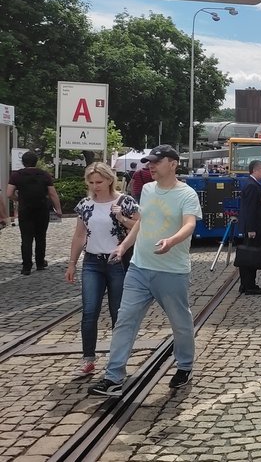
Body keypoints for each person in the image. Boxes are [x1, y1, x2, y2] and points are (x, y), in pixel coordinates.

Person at [88, 144, 202, 396]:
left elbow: (190, 225)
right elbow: (143, 222)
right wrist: (124, 245)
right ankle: (114, 376)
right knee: (125, 320)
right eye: (149, 162)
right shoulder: (148, 190)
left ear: (173, 164)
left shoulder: (187, 194)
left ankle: (184, 365)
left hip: (171, 271)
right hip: (139, 268)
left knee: (180, 323)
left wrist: (171, 240)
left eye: (156, 162)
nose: (150, 166)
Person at [66, 162, 140, 376]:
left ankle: (118, 360)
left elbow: (139, 227)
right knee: (89, 312)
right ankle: (88, 359)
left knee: (118, 312)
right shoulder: (85, 205)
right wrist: (72, 263)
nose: (95, 186)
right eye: (91, 182)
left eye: (99, 182)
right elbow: (79, 235)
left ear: (109, 180)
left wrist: (122, 218)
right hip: (92, 262)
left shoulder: (125, 202)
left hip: (118, 261)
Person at [6, 150, 62, 275]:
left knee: (26, 238)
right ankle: (40, 263)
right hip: (41, 209)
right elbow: (52, 193)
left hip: (25, 210)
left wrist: (18, 199)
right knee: (41, 237)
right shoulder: (44, 175)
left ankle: (26, 267)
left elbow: (9, 193)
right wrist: (58, 209)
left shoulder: (17, 175)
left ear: (23, 162)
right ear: (36, 162)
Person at [237, 160, 261, 295]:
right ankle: (249, 285)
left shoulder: (253, 184)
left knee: (249, 255)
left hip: (254, 227)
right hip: (253, 228)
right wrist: (251, 229)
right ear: (255, 171)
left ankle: (246, 284)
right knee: (250, 256)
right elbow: (250, 210)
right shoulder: (252, 186)